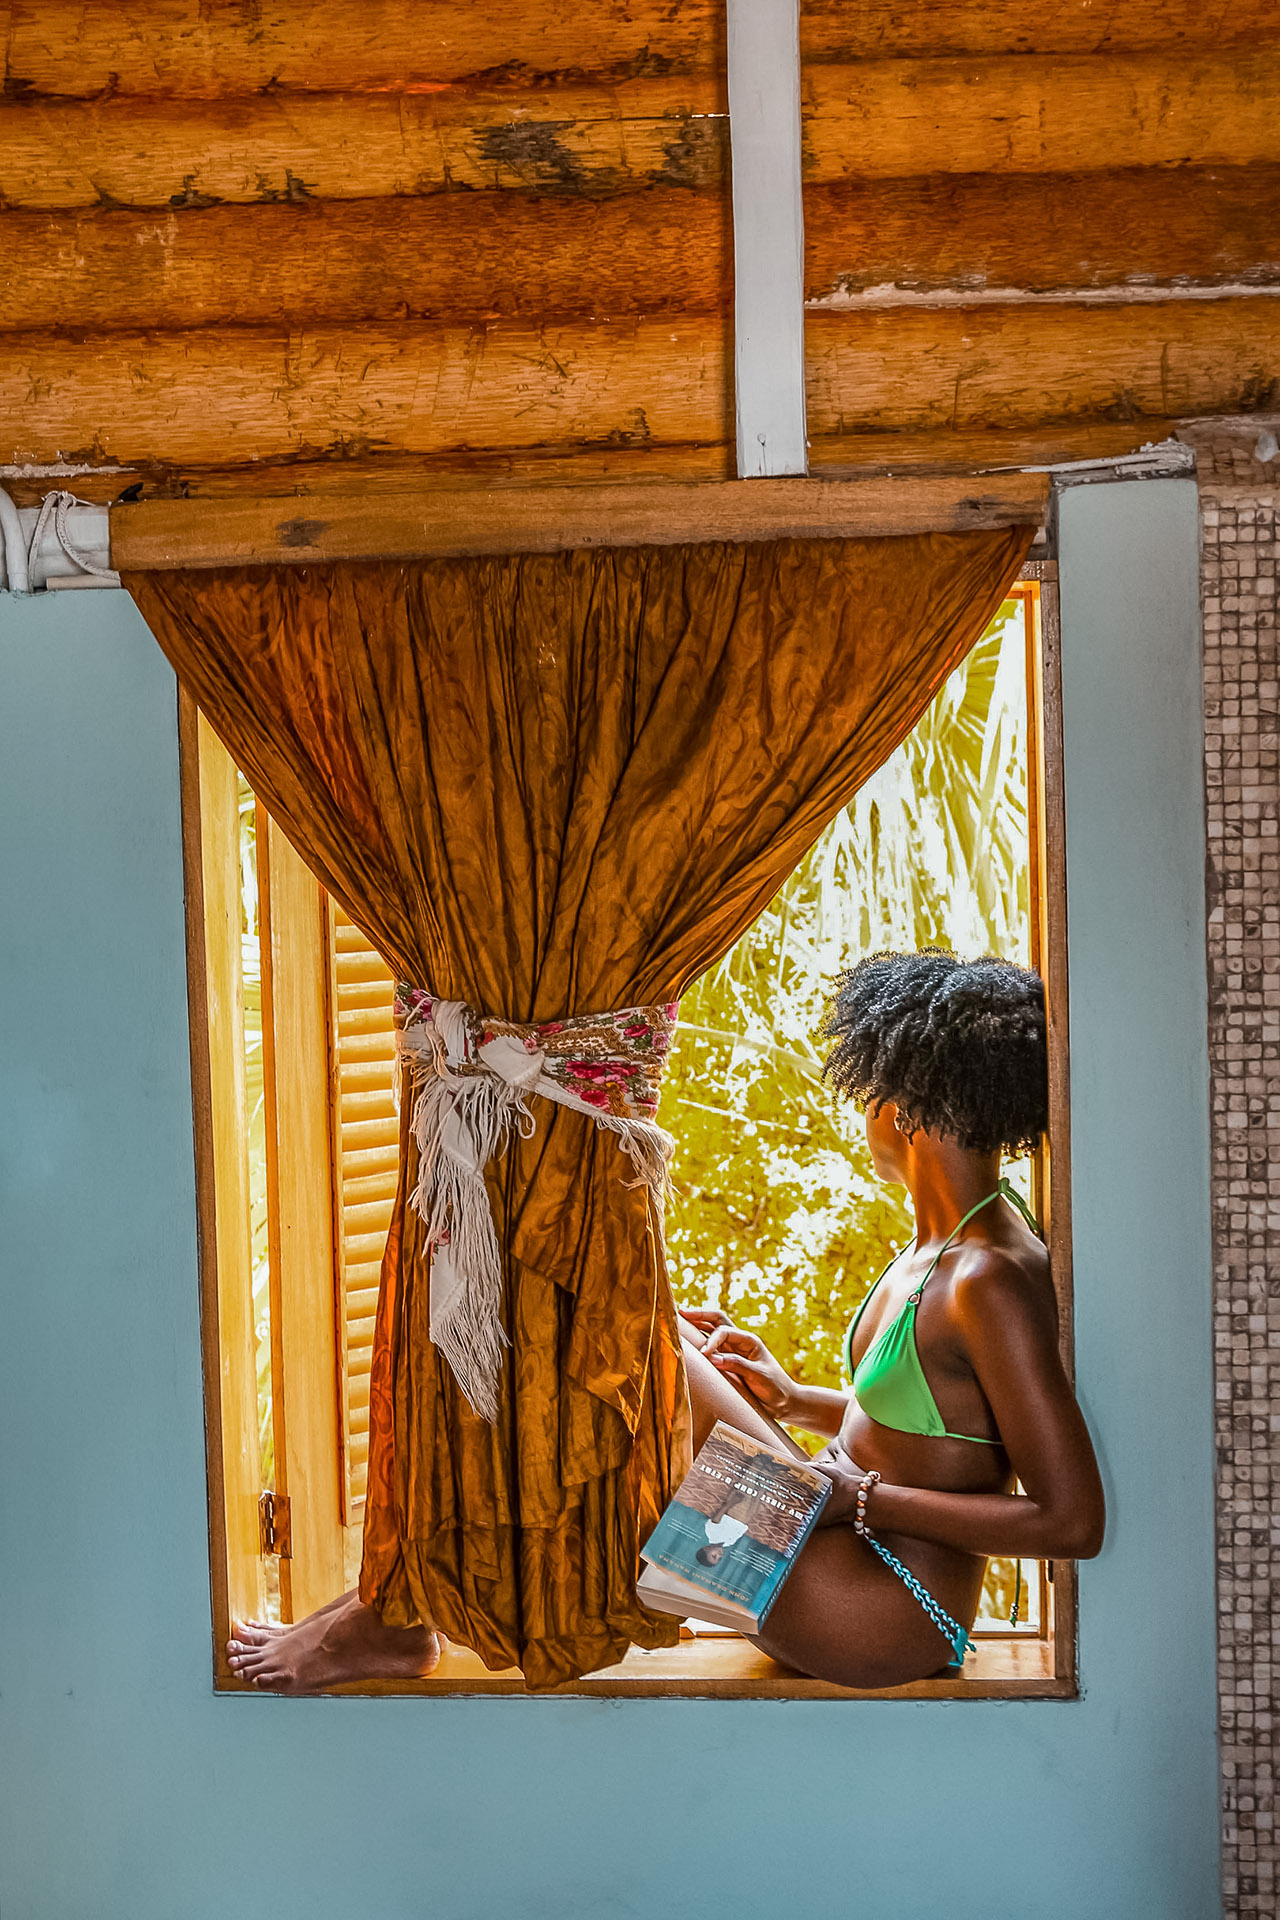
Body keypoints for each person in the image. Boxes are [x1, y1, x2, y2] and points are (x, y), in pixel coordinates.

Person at [679, 949, 1105, 1689]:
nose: (863, 1110)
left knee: (645, 1338)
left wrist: (864, 1500)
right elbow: (937, 1433)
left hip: (888, 1615)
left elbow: (1071, 1523)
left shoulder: (988, 1276)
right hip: (841, 1566)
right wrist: (793, 1398)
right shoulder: (935, 1249)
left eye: (869, 1089)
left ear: (906, 1108)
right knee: (673, 1337)